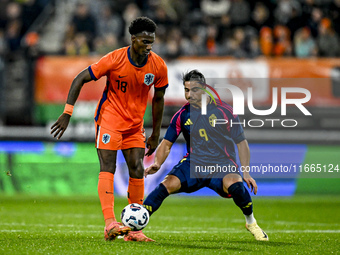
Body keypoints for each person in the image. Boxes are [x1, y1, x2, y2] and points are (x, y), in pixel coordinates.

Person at [50, 17, 168, 242]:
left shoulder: (158, 65)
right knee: (109, 166)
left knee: (136, 168)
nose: (149, 46)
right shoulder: (114, 59)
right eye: (144, 41)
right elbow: (80, 78)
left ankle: (133, 231)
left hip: (135, 125)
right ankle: (110, 224)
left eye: (152, 41)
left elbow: (159, 98)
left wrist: (155, 133)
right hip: (110, 120)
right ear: (133, 39)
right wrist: (67, 112)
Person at [143, 70, 268, 241]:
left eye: (193, 90)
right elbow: (167, 142)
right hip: (194, 163)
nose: (189, 95)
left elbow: (241, 142)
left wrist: (245, 172)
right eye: (186, 90)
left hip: (221, 164)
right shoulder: (182, 115)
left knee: (236, 184)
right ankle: (136, 224)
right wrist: (157, 163)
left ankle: (251, 222)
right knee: (166, 184)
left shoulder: (224, 111)